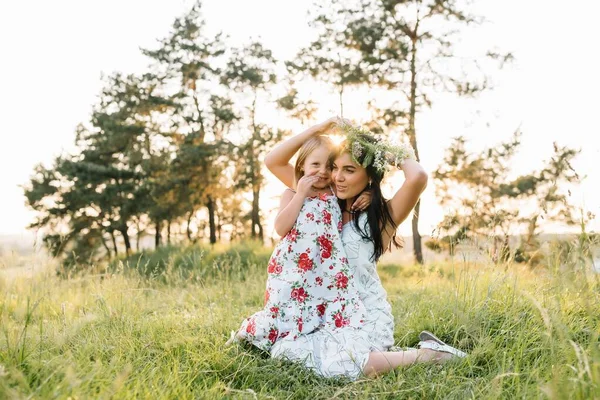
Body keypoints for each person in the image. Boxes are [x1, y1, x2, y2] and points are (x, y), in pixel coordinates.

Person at [264, 119, 467, 379]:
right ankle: (405, 355)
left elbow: (418, 176)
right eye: (335, 167)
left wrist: (381, 150)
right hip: (328, 316)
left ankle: (430, 356)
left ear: (369, 175)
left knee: (342, 364)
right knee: (284, 352)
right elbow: (273, 161)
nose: (337, 176)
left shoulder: (382, 216)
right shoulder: (321, 199)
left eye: (349, 169)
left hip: (366, 315)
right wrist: (318, 129)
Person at [227, 118, 372, 351]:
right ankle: (259, 340)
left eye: (330, 166)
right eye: (315, 164)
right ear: (302, 165)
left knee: (319, 312)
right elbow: (281, 228)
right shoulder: (294, 189)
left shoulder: (336, 193)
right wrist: (315, 131)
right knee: (284, 307)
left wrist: (371, 195)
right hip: (293, 266)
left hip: (326, 270)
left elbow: (360, 185)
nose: (323, 172)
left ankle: (306, 345)